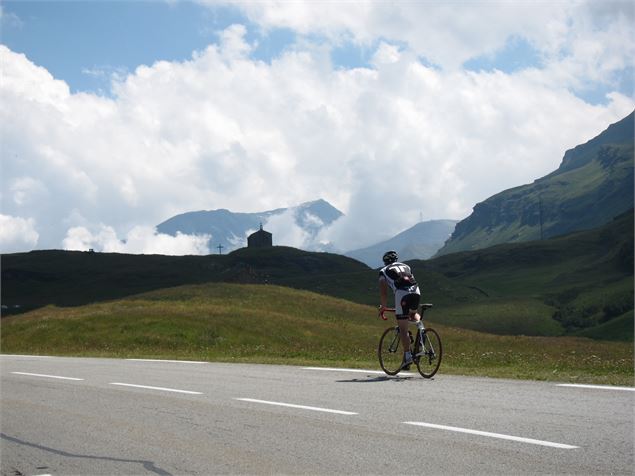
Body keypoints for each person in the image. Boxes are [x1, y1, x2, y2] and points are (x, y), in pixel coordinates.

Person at [378, 250, 422, 369]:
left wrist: (383, 306)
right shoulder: (406, 266)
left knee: (403, 329)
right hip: (416, 291)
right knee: (413, 314)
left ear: (385, 262)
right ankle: (422, 332)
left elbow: (383, 291)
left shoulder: (383, 271)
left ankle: (407, 357)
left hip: (402, 294)